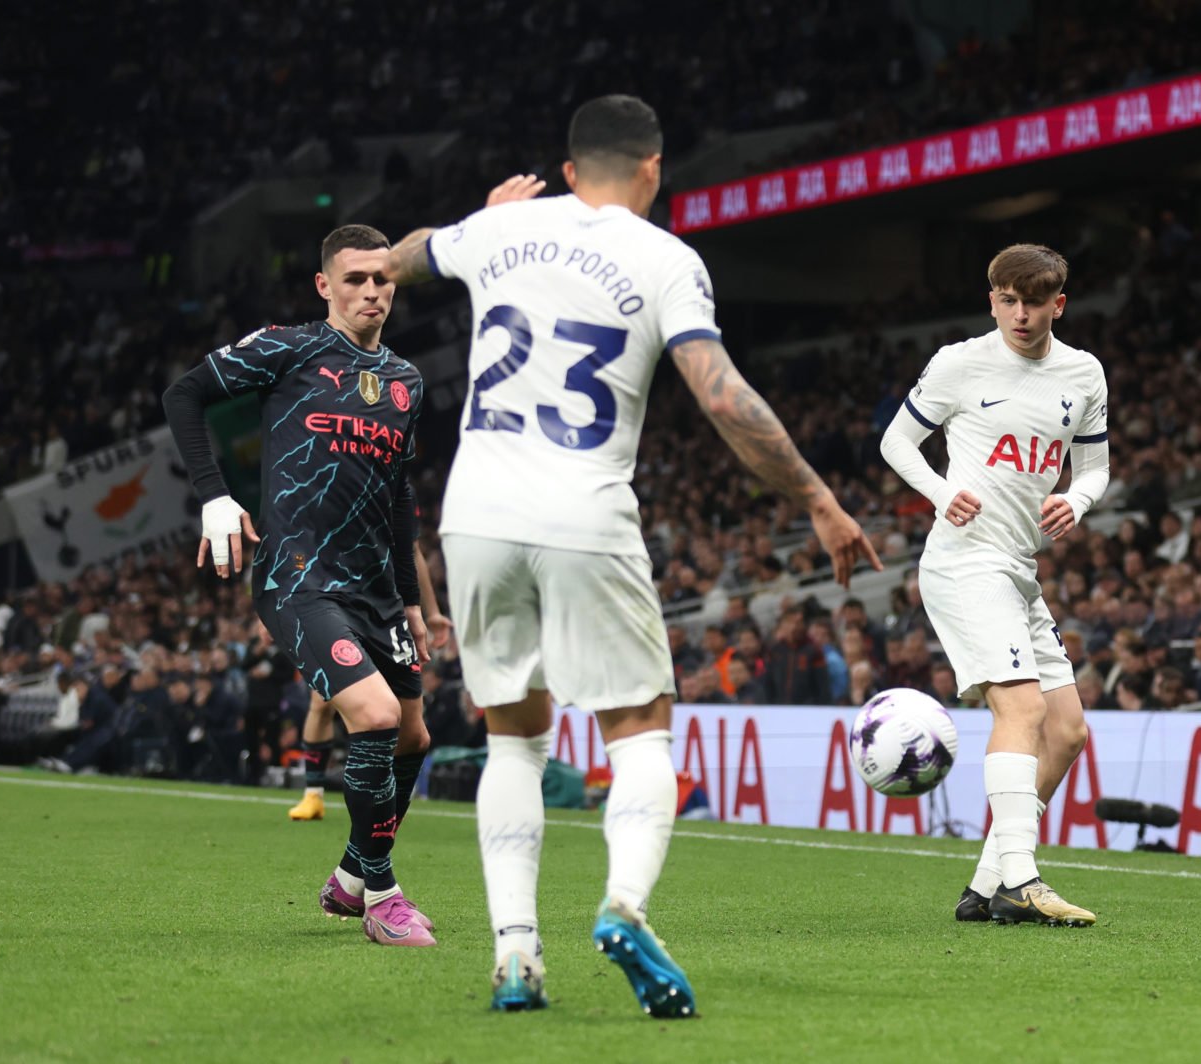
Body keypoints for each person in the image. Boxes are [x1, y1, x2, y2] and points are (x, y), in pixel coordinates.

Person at [376, 95, 879, 1015]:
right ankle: (624, 906)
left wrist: (472, 225)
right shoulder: (666, 259)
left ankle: (516, 958)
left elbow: (398, 261)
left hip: (476, 515)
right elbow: (724, 401)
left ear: (568, 170)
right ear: (654, 168)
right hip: (584, 510)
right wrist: (817, 497)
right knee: (641, 728)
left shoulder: (501, 230)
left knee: (514, 743)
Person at [163, 224, 444, 949]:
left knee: (414, 732)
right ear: (325, 285)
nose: (372, 291)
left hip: (377, 588)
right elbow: (185, 393)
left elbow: (397, 492)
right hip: (299, 575)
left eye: (383, 278)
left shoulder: (408, 382)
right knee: (376, 715)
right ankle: (383, 896)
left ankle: (351, 874)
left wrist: (415, 601)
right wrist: (213, 495)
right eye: (355, 279)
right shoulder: (291, 349)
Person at [879, 242, 1108, 927]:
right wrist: (941, 491)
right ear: (992, 300)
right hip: (963, 559)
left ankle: (985, 889)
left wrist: (1081, 500)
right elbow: (896, 442)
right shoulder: (961, 363)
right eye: (1007, 300)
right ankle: (1021, 879)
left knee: (1066, 732)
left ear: (1056, 304)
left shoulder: (1084, 374)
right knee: (1023, 712)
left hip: (1018, 569)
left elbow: (1094, 468)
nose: (1020, 313)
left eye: (1034, 301)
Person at [289, 539, 452, 820]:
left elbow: (411, 549)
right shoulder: (320, 501)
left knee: (407, 722)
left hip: (388, 613)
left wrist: (432, 611)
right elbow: (298, 548)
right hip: (336, 611)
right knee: (322, 701)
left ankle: (390, 795)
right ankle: (313, 794)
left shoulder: (394, 497)